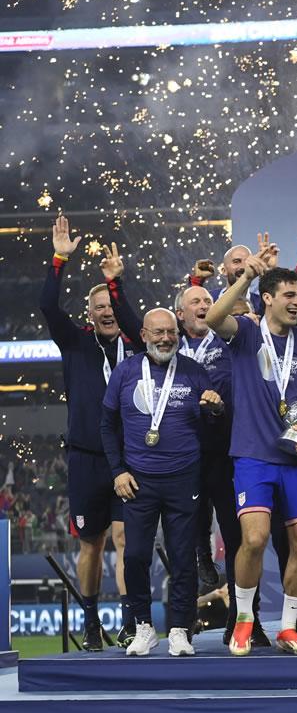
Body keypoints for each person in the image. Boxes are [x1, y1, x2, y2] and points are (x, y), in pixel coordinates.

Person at [206, 251, 297, 655]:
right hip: (253, 456)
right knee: (256, 538)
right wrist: (244, 277)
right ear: (268, 299)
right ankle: (244, 619)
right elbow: (212, 318)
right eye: (289, 295)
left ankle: (289, 627)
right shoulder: (245, 333)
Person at [100, 308, 224, 656]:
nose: (166, 338)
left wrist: (215, 409)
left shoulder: (194, 371)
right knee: (135, 556)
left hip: (184, 478)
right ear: (143, 335)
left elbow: (213, 423)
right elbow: (107, 425)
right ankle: (143, 626)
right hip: (137, 481)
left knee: (183, 558)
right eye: (158, 333)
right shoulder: (126, 372)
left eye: (171, 332)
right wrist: (117, 471)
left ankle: (181, 629)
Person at [40, 218, 138, 650]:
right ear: (89, 314)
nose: (107, 312)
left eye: (111, 305)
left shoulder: (133, 345)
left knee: (124, 539)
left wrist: (116, 285)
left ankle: (133, 621)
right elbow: (47, 306)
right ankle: (92, 621)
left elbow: (137, 318)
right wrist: (60, 260)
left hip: (129, 459)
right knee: (92, 546)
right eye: (99, 306)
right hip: (84, 458)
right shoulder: (75, 343)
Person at [175, 284, 265, 645]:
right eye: (194, 301)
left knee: (240, 539)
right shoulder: (168, 346)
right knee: (184, 541)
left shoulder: (230, 341)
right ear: (180, 314)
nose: (204, 306)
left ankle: (246, 620)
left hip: (229, 452)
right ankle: (182, 626)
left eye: (208, 301)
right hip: (184, 457)